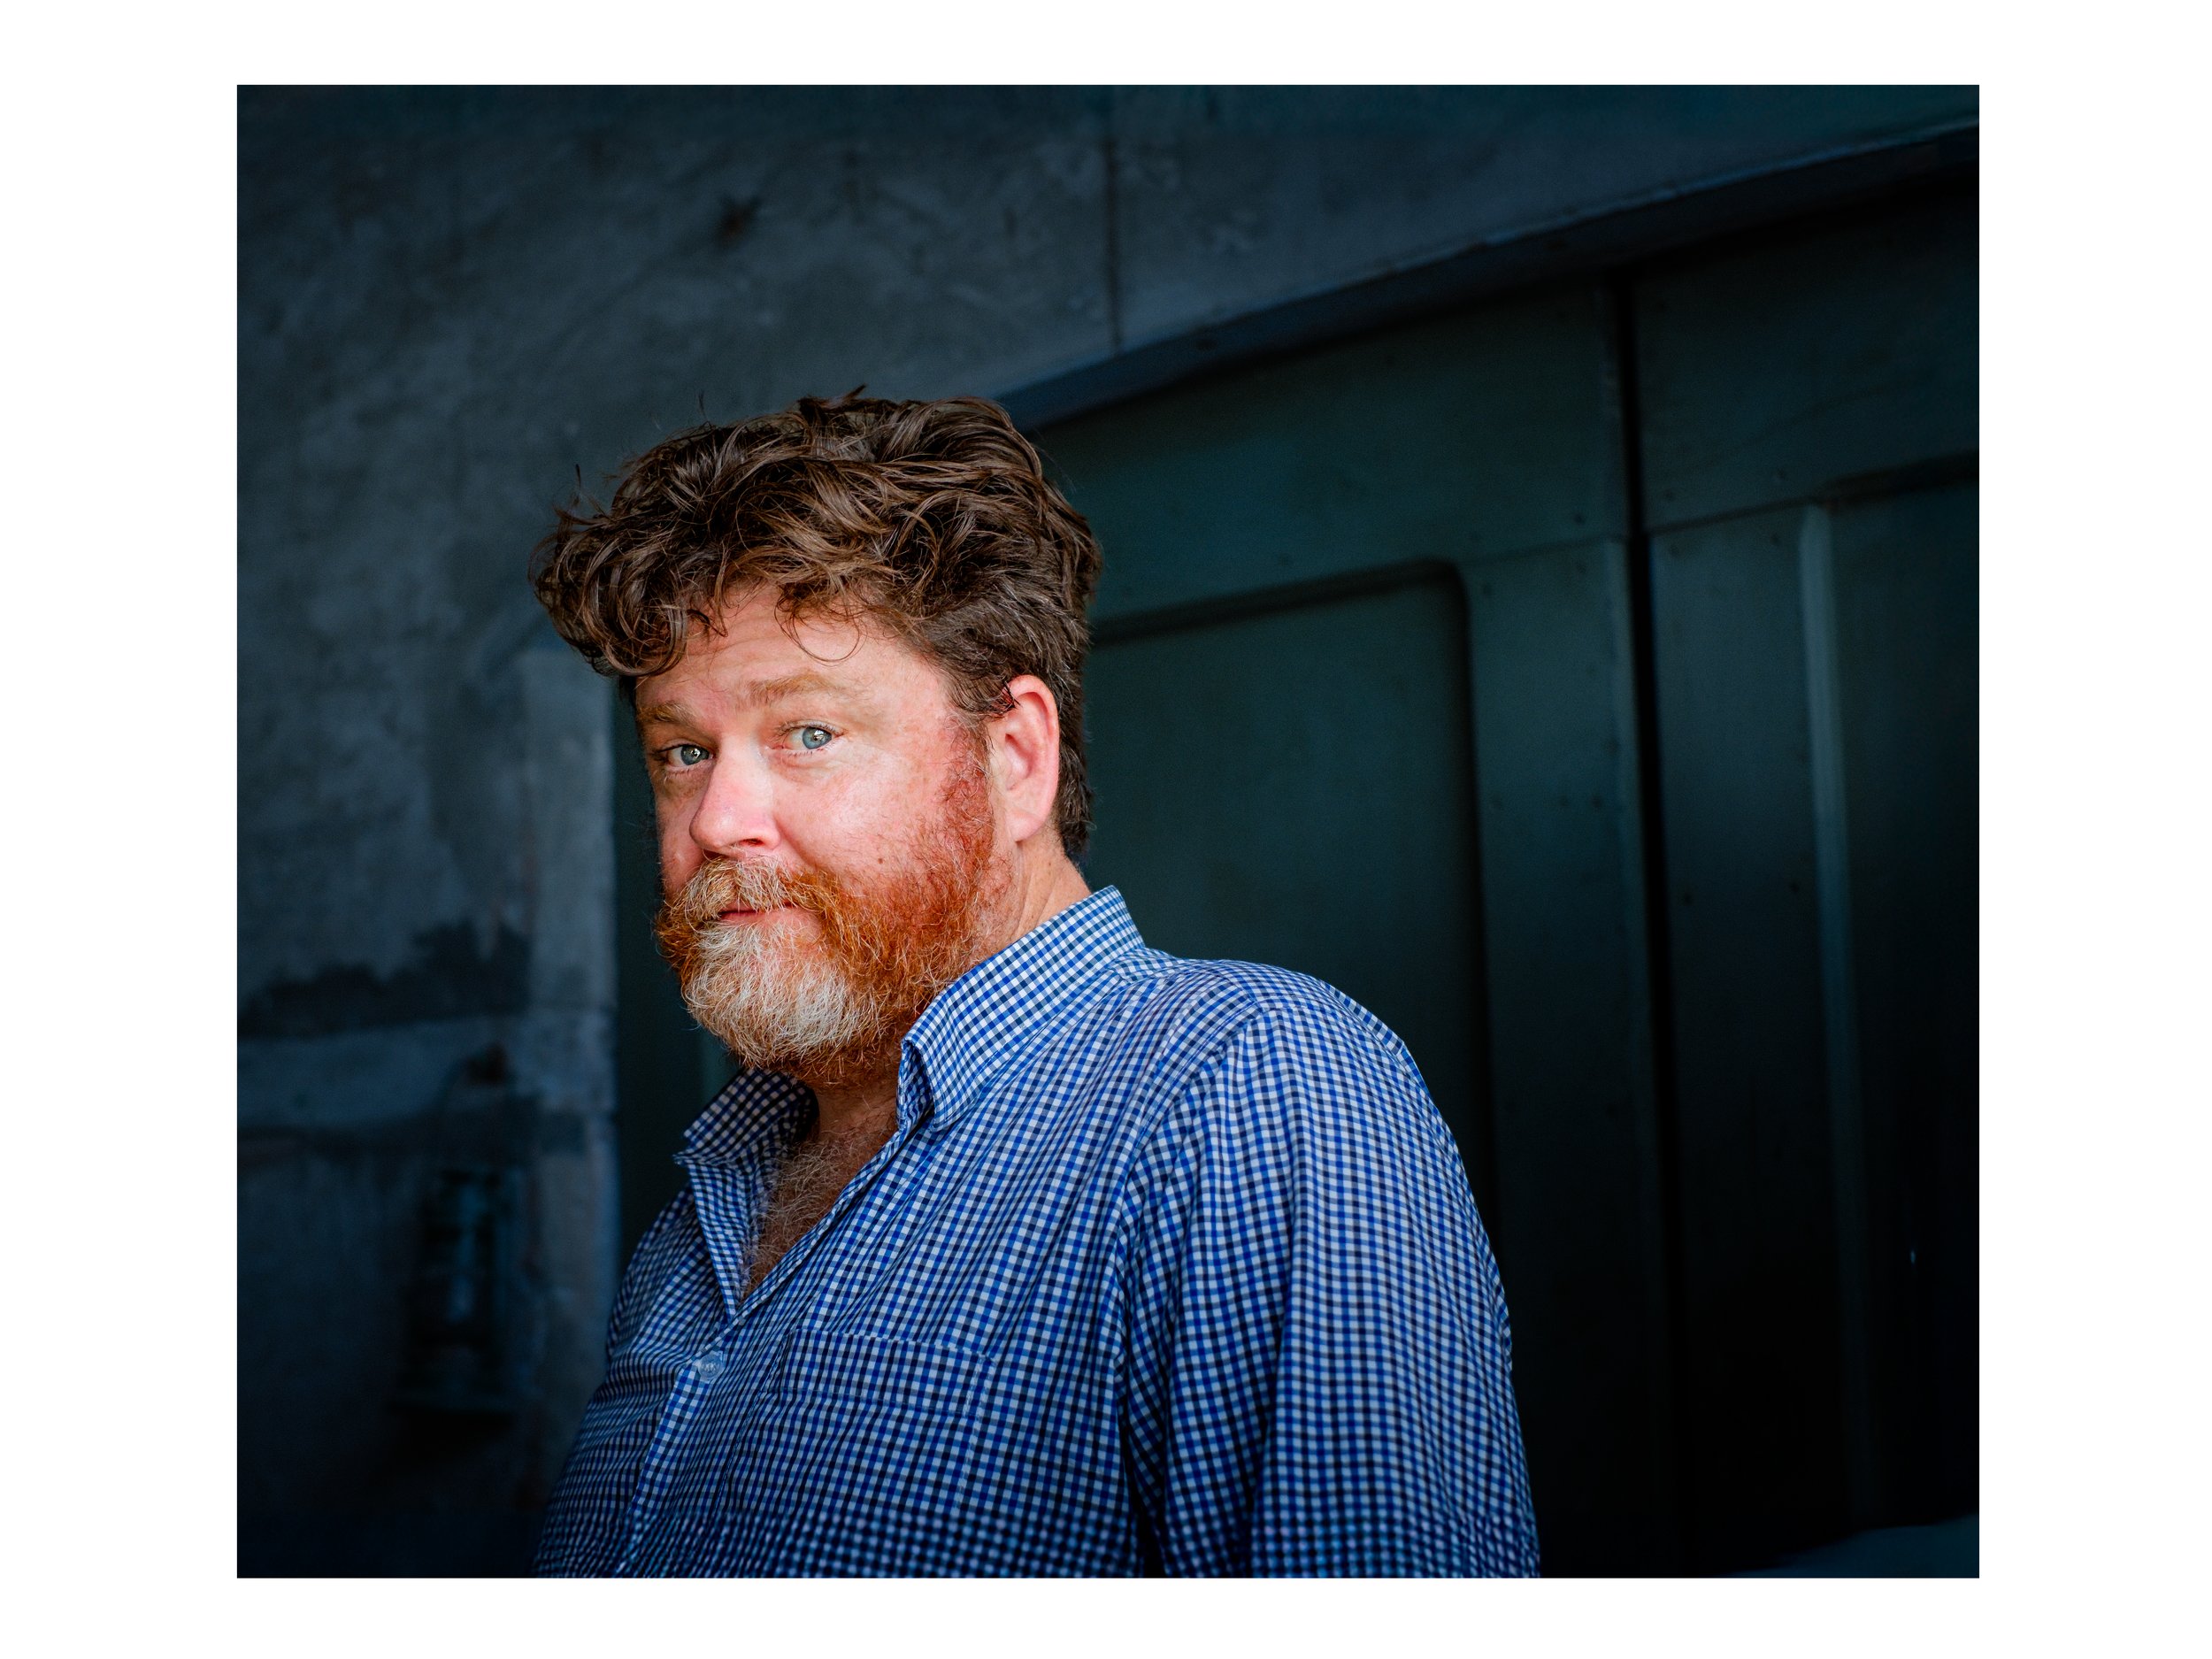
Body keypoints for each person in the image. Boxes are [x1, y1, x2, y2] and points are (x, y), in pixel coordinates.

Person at [527, 394, 1539, 1577]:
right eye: (682, 752)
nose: (716, 820)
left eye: (808, 734)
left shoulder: (1251, 1091)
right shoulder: (704, 1212)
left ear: (1015, 759)